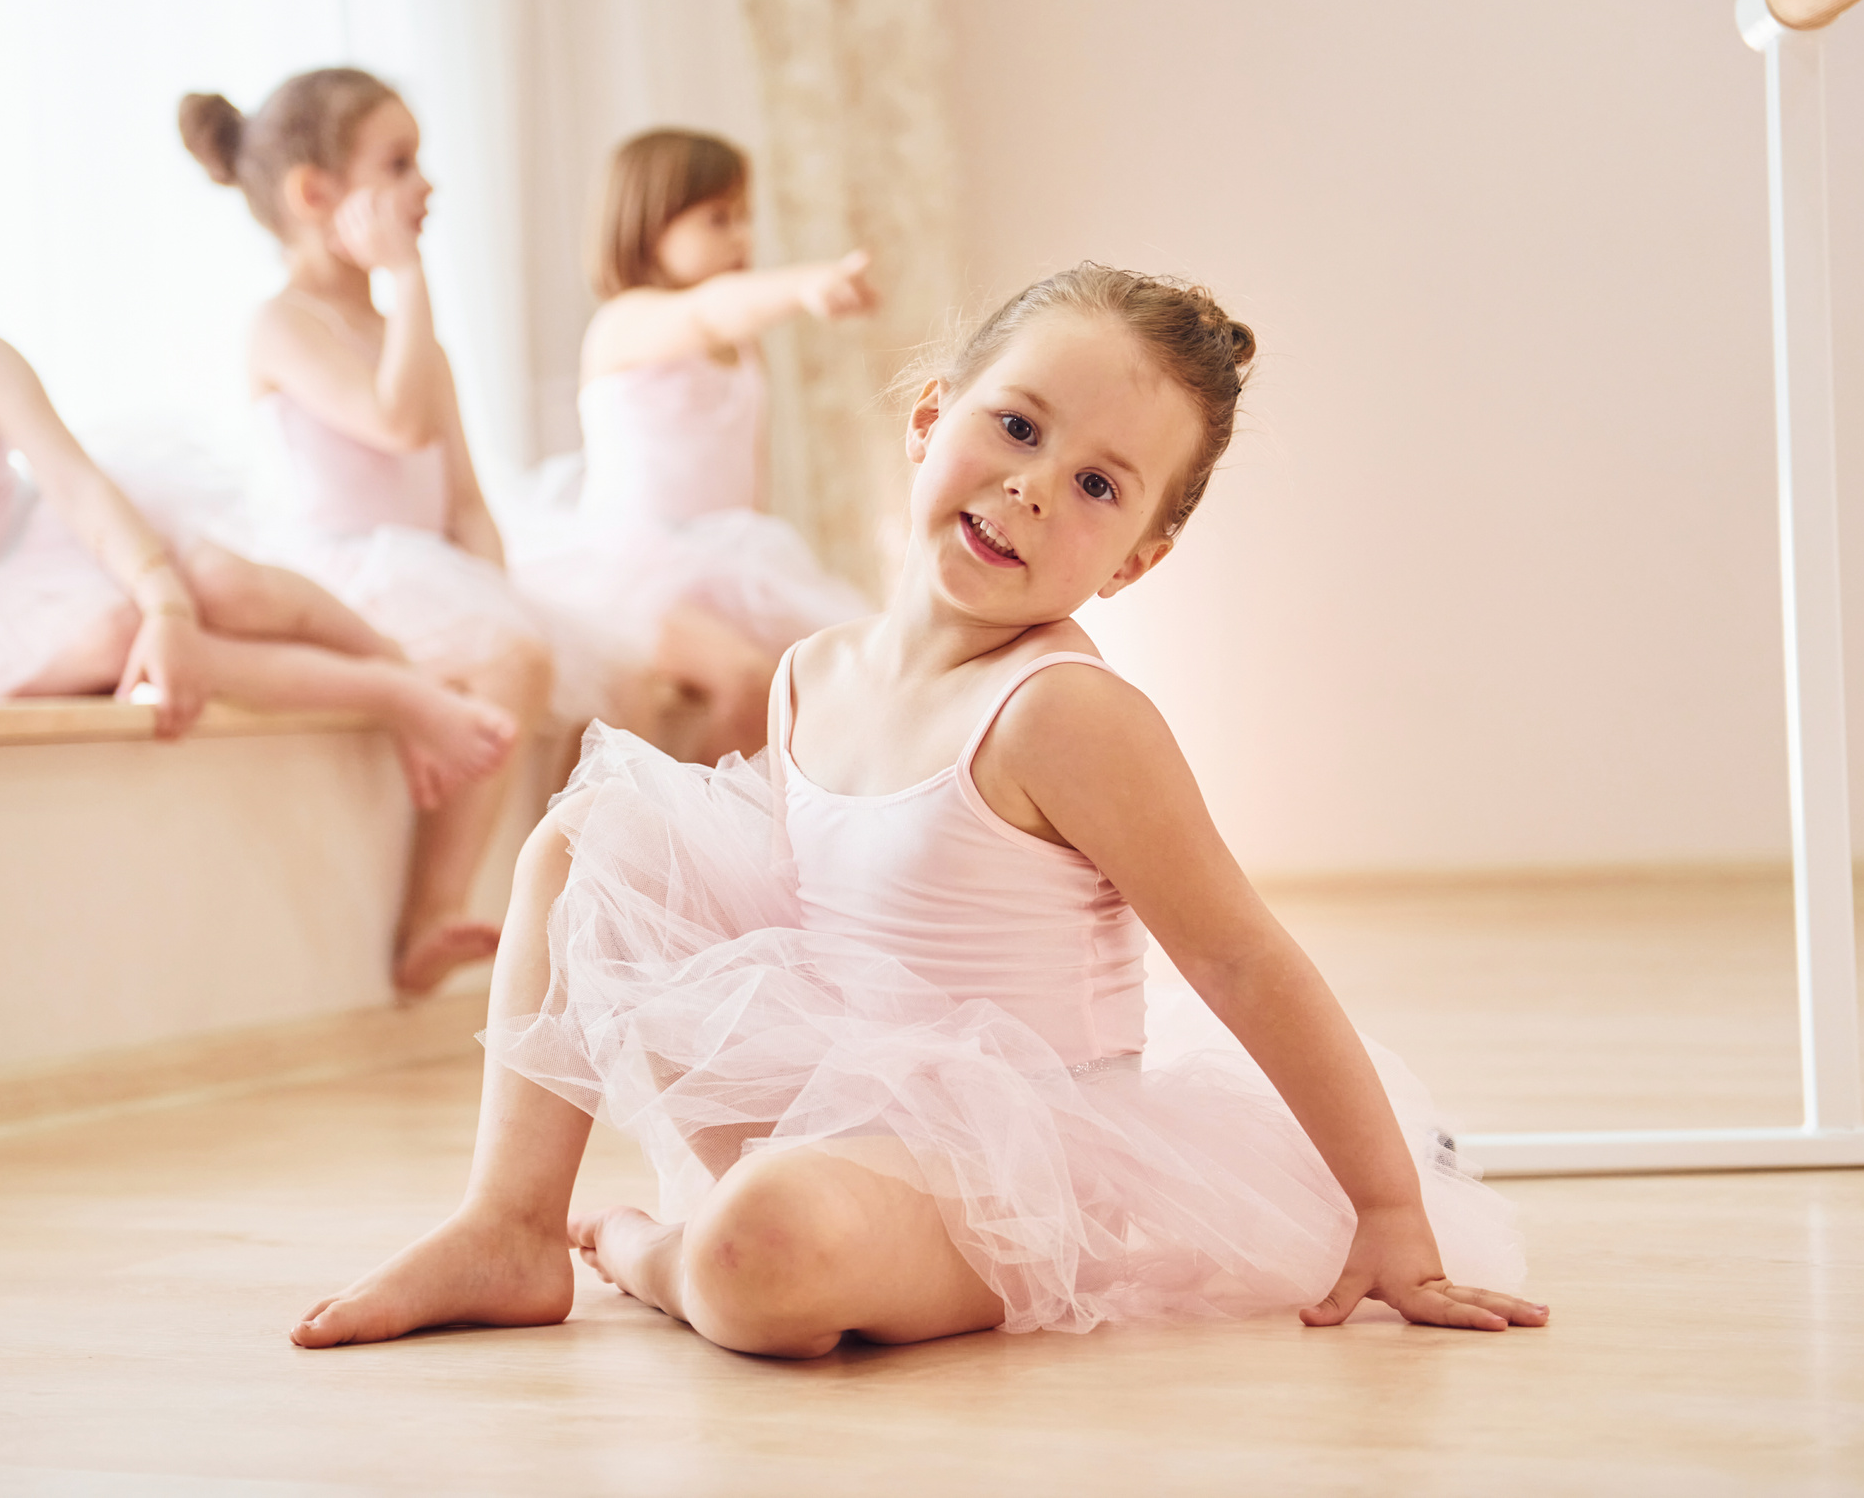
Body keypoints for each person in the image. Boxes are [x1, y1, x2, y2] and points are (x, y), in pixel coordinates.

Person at [291, 262, 1543, 1355]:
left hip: (1008, 1163)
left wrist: (1386, 1209)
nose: (1036, 486)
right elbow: (789, 901)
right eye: (1013, 426)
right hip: (836, 1082)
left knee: (755, 1251)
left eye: (1101, 486)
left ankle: (648, 1252)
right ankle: (507, 1226)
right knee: (584, 836)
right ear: (928, 419)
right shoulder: (810, 672)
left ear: (1136, 561)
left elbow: (1238, 955)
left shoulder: (1061, 712)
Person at [0, 97, 516, 990]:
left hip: (43, 544)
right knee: (115, 640)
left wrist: (167, 602)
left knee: (224, 585)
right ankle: (391, 692)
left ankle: (401, 670)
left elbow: (76, 485)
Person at [180, 70, 558, 994]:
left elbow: (463, 495)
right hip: (344, 572)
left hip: (424, 564)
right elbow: (393, 424)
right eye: (398, 163)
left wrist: (493, 583)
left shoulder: (411, 334)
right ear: (316, 196)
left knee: (524, 651)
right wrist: (407, 275)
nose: (425, 184)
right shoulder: (280, 324)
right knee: (512, 663)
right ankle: (431, 911)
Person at [511, 129, 876, 764]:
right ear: (649, 227)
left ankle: (724, 835)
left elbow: (746, 465)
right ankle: (671, 836)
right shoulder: (627, 321)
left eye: (744, 218)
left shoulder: (741, 344)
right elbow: (707, 312)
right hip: (630, 564)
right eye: (718, 219)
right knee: (745, 680)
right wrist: (803, 287)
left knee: (836, 679)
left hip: (724, 561)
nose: (742, 238)